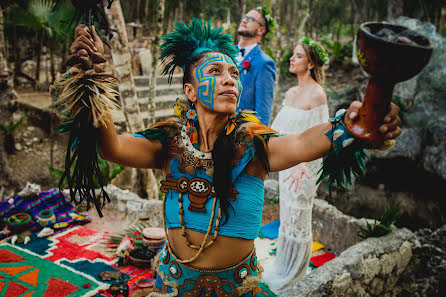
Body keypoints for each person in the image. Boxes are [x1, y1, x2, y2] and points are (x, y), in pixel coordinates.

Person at [63, 19, 401, 296]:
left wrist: (355, 123)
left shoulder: (254, 144)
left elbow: (301, 142)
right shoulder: (169, 141)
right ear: (190, 91)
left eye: (234, 74)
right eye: (215, 72)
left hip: (236, 289)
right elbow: (113, 148)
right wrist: (91, 77)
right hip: (171, 284)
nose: (229, 79)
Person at [262, 37, 330, 292]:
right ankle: (283, 265)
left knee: (299, 215)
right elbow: (277, 130)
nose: (292, 58)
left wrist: (304, 164)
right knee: (287, 214)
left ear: (311, 63)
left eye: (299, 56)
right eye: (293, 54)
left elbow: (320, 138)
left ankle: (296, 270)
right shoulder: (290, 93)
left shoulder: (317, 94)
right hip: (288, 163)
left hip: (306, 167)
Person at [236, 7, 276, 125]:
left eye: (250, 19)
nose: (244, 20)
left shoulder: (264, 63)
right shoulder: (225, 54)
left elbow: (263, 112)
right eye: (244, 17)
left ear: (261, 30)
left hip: (240, 133)